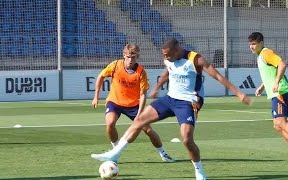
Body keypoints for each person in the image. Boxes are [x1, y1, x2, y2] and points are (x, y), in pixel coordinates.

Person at [91, 38, 252, 180]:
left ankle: (199, 171)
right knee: (139, 121)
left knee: (187, 139)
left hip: (188, 102)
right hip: (169, 99)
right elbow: (168, 71)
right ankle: (115, 153)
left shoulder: (196, 59)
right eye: (164, 55)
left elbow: (217, 76)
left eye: (167, 55)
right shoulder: (169, 59)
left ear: (177, 50)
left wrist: (238, 93)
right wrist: (158, 87)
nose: (165, 58)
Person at [91, 43, 175, 163]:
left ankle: (164, 153)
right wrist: (96, 97)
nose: (131, 60)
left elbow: (143, 94)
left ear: (137, 57)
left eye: (133, 57)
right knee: (110, 123)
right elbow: (101, 77)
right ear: (124, 55)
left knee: (148, 130)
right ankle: (115, 151)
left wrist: (140, 114)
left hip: (133, 105)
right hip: (115, 101)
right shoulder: (115, 65)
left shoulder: (141, 72)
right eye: (128, 57)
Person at [248, 32, 288, 165]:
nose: (251, 47)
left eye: (254, 44)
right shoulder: (261, 56)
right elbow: (271, 73)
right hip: (275, 93)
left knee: (281, 122)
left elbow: (282, 64)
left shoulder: (266, 53)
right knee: (277, 126)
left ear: (261, 43)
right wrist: (262, 87)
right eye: (250, 44)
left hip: (281, 92)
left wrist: (277, 82)